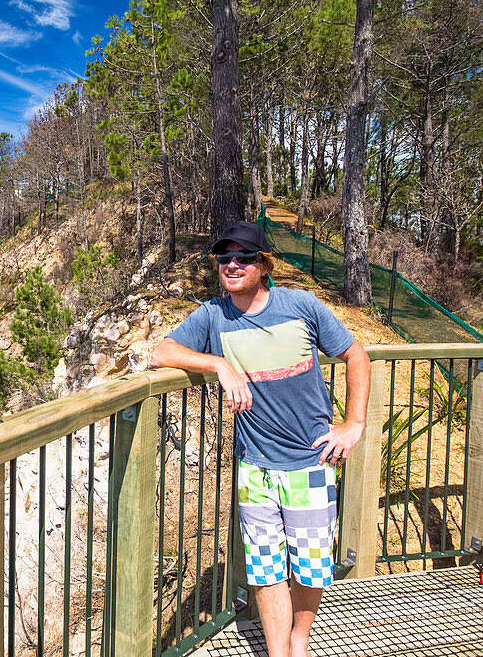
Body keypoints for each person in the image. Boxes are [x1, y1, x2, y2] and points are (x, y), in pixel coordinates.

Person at [150, 220, 370, 657]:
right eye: (224, 257)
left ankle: (299, 641)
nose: (232, 264)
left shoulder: (301, 305)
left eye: (244, 257)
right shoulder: (213, 315)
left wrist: (354, 424)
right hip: (255, 465)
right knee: (267, 571)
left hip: (311, 459)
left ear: (263, 264)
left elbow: (355, 354)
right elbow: (161, 352)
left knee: (310, 570)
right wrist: (217, 363)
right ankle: (278, 652)